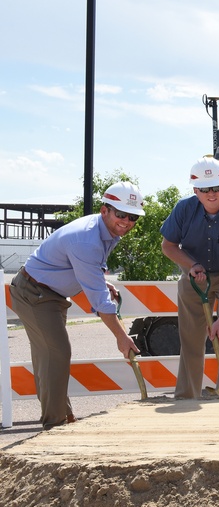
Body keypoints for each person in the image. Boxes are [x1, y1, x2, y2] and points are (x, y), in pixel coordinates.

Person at [9, 182, 145, 429]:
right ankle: (55, 425)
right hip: (35, 294)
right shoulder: (86, 239)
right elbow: (100, 301)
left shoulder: (106, 230)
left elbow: (85, 268)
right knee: (57, 353)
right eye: (121, 213)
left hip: (47, 294)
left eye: (132, 216)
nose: (126, 220)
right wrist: (121, 337)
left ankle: (61, 417)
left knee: (50, 357)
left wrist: (101, 281)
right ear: (105, 210)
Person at [160, 157, 219, 398]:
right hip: (195, 275)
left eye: (216, 187)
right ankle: (186, 396)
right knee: (191, 338)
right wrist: (192, 265)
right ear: (195, 190)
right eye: (205, 189)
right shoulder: (183, 209)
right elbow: (168, 245)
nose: (211, 194)